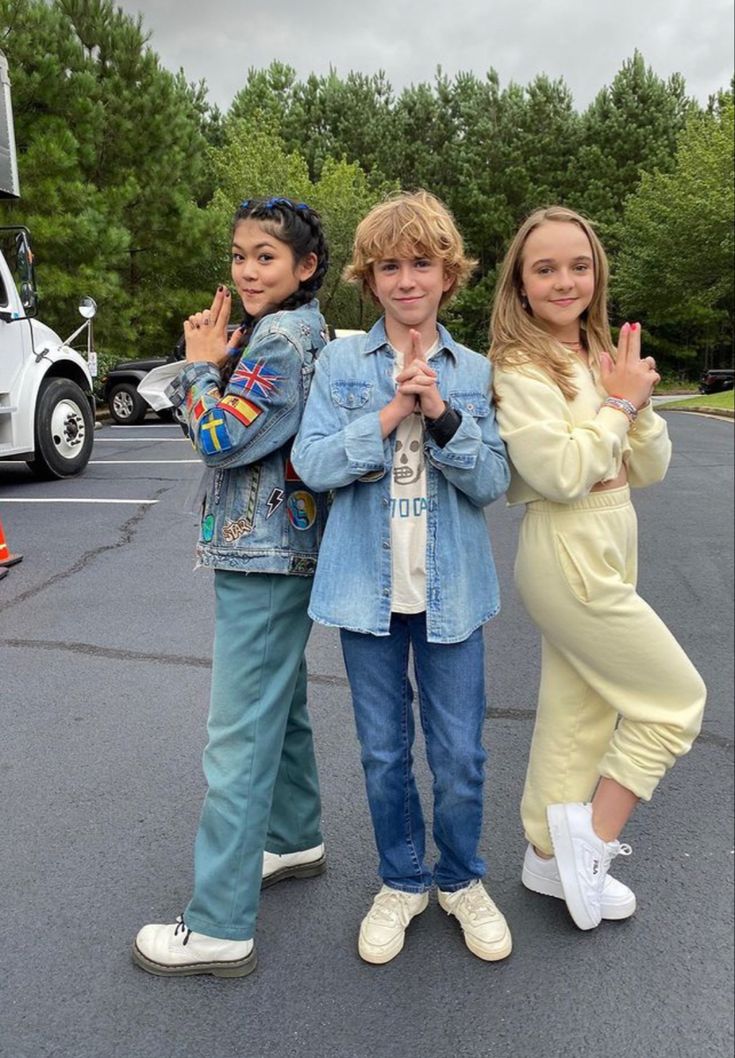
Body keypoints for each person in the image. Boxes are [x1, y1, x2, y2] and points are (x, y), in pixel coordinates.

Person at [292, 191, 512, 964]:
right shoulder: (340, 364)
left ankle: (459, 879)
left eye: (422, 263)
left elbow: (490, 482)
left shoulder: (475, 369)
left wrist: (443, 416)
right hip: (365, 595)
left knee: (460, 754)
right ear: (370, 276)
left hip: (453, 596)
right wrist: (388, 415)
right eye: (390, 265)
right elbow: (312, 464)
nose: (406, 279)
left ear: (448, 275)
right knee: (383, 752)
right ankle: (401, 880)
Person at [489, 205, 706, 931]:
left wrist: (633, 404)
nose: (563, 280)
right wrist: (617, 405)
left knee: (579, 711)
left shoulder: (595, 350)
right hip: (566, 543)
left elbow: (649, 466)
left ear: (596, 272)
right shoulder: (519, 365)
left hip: (612, 533)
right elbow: (559, 471)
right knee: (673, 701)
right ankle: (593, 838)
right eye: (543, 268)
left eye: (577, 265)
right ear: (518, 283)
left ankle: (545, 856)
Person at [132, 197, 331, 978]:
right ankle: (293, 836)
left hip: (264, 552)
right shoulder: (291, 331)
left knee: (237, 733)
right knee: (277, 706)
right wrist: (215, 365)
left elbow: (221, 440)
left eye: (267, 257)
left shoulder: (277, 341)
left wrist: (195, 369)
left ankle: (217, 925)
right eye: (240, 254)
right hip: (282, 548)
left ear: (305, 267)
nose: (247, 270)